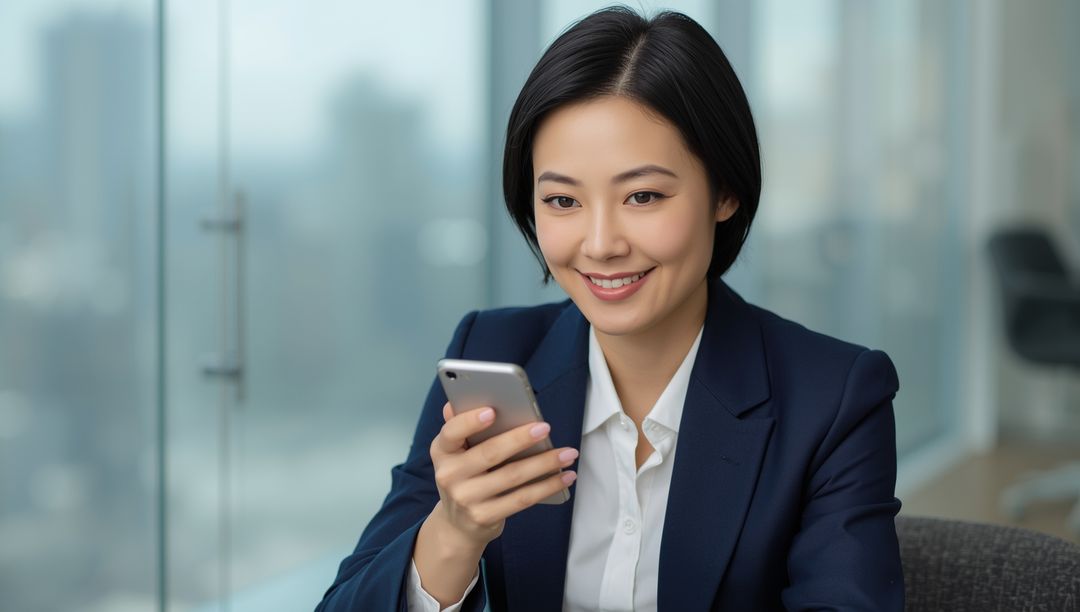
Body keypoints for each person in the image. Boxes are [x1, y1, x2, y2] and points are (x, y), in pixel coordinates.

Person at [316, 6, 903, 611]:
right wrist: (454, 533)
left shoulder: (833, 398)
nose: (600, 244)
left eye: (642, 195)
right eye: (563, 200)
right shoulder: (487, 354)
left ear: (724, 191)